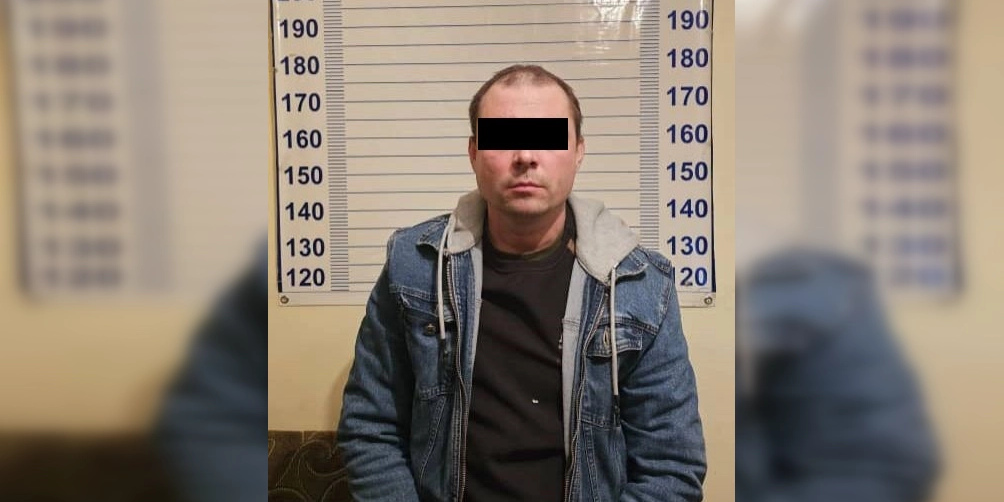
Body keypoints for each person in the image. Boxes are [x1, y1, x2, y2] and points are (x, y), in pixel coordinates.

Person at [337, 64, 706, 501]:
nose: (526, 156)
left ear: (579, 151)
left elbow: (671, 466)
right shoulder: (413, 266)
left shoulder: (640, 286)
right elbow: (370, 428)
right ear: (474, 152)